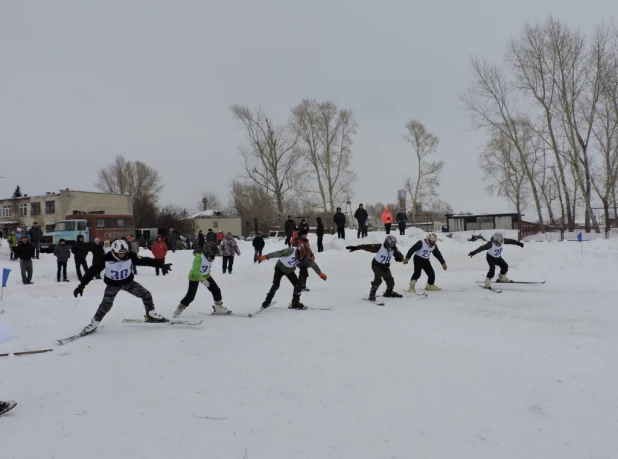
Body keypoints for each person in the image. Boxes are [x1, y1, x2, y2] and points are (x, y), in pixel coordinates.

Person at [73, 239, 172, 334]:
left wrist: (161, 265)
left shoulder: (130, 256)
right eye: (120, 253)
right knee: (106, 305)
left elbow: (145, 261)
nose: (122, 255)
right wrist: (81, 285)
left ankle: (151, 315)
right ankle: (94, 324)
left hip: (128, 283)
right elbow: (92, 271)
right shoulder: (106, 258)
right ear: (114, 251)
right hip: (112, 285)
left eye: (124, 252)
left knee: (146, 295)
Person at [257, 242, 327, 310]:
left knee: (298, 285)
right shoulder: (291, 250)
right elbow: (278, 253)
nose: (302, 257)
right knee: (276, 285)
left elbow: (313, 264)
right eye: (301, 254)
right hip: (279, 268)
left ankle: (295, 303)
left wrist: (320, 273)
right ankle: (267, 301)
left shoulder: (305, 257)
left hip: (289, 270)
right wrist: (265, 257)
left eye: (304, 255)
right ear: (299, 250)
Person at [174, 242, 231, 317]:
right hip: (194, 277)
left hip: (206, 275)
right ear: (207, 252)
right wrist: (202, 280)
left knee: (216, 290)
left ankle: (218, 307)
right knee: (190, 296)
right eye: (212, 255)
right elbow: (195, 271)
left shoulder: (210, 257)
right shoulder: (199, 257)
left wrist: (205, 278)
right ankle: (180, 308)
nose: (213, 257)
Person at [346, 235, 404, 301]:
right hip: (376, 265)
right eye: (391, 244)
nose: (392, 245)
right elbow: (367, 247)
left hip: (385, 266)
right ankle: (372, 294)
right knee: (378, 280)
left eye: (393, 244)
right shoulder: (380, 247)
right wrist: (357, 247)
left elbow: (400, 256)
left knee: (390, 280)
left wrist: (400, 258)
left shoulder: (394, 249)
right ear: (387, 243)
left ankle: (389, 292)